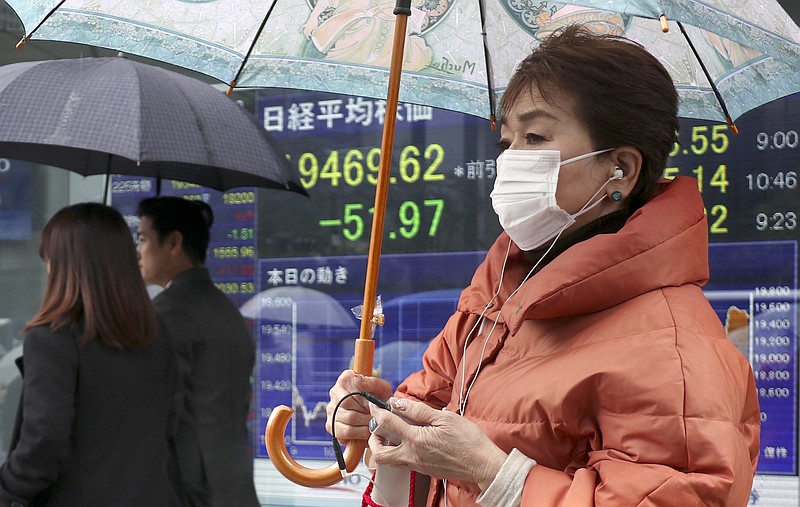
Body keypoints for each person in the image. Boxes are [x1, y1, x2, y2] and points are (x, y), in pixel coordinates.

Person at [326, 25, 760, 506]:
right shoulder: (493, 299)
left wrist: (494, 473)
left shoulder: (672, 345)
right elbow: (424, 429)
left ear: (621, 168)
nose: (511, 160)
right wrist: (379, 422)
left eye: (534, 136)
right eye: (506, 141)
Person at [0, 203, 178, 507]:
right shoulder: (156, 333)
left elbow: (44, 441)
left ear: (64, 265)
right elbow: (172, 428)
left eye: (49, 259)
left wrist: (8, 489)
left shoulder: (53, 338)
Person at [136, 197, 259, 507]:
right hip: (235, 483)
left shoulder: (168, 312)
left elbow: (156, 412)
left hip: (190, 488)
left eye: (143, 239)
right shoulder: (226, 309)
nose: (137, 251)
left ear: (174, 242)